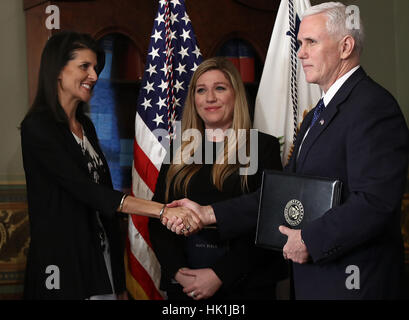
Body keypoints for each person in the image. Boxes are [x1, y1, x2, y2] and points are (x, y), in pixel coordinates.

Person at [166, 2, 409, 299]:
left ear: (345, 46)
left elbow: (374, 203)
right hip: (317, 281)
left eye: (311, 42)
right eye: (299, 43)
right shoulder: (317, 113)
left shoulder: (373, 107)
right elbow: (280, 195)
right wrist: (207, 213)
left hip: (355, 284)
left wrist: (309, 238)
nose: (301, 52)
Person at [20, 31, 200, 300]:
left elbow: (105, 204)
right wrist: (161, 210)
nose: (94, 76)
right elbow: (89, 192)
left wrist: (117, 281)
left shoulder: (87, 127)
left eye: (95, 68)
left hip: (100, 257)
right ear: (57, 70)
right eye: (85, 67)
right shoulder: (38, 128)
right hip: (61, 264)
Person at [148, 57, 288, 300]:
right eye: (201, 90)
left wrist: (220, 274)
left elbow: (270, 216)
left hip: (245, 286)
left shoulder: (262, 146)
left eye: (220, 88)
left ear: (236, 95)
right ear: (194, 99)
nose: (210, 98)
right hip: (186, 288)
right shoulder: (178, 150)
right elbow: (159, 215)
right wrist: (179, 272)